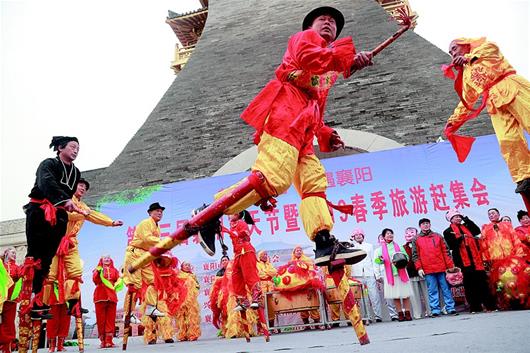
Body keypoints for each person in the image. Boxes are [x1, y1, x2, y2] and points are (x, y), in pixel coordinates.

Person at [196, 6, 372, 267]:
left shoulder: (326, 71)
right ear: (310, 26)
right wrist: (346, 59)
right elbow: (309, 58)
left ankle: (323, 241)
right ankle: (209, 212)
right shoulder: (305, 40)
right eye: (322, 19)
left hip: (303, 127)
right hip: (284, 115)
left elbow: (317, 109)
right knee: (275, 178)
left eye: (333, 22)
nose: (328, 23)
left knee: (314, 183)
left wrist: (325, 133)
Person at [443, 38, 530, 194]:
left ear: (466, 44)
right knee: (507, 140)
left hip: (512, 87)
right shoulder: (466, 75)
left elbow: (493, 49)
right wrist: (453, 121)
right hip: (494, 103)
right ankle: (525, 176)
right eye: (450, 52)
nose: (453, 53)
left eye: (455, 48)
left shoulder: (485, 49)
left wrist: (469, 57)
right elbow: (466, 100)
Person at [24, 136, 84, 317]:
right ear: (60, 147)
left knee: (48, 258)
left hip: (59, 215)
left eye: (78, 149)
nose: (75, 151)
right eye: (72, 147)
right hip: (40, 211)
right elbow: (46, 183)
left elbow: (69, 194)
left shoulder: (76, 172)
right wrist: (64, 200)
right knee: (36, 256)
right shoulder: (48, 164)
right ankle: (30, 300)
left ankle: (39, 301)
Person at [45, 178, 123, 314]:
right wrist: (81, 213)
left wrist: (111, 222)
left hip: (71, 243)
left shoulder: (84, 207)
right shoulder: (65, 199)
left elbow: (93, 215)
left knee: (75, 272)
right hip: (55, 241)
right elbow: (66, 215)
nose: (82, 189)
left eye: (84, 188)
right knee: (50, 275)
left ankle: (73, 303)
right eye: (80, 186)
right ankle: (43, 305)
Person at [443, 209, 496, 313]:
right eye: (455, 217)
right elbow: (451, 245)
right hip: (463, 261)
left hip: (476, 259)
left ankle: (490, 305)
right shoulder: (448, 231)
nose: (458, 218)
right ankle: (475, 307)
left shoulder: (466, 226)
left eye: (459, 216)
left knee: (482, 282)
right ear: (451, 219)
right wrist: (460, 238)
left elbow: (476, 231)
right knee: (469, 284)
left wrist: (466, 219)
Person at [122, 202, 166, 324]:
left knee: (153, 281)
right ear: (150, 213)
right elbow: (147, 238)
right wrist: (163, 241)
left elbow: (153, 244)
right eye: (157, 211)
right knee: (134, 285)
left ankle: (151, 307)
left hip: (146, 255)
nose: (159, 213)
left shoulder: (157, 227)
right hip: (134, 254)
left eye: (161, 211)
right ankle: (128, 313)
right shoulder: (145, 223)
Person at [480, 208, 529, 309]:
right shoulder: (486, 228)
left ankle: (518, 302)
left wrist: (518, 256)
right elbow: (483, 246)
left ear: (498, 214)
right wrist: (486, 261)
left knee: (515, 280)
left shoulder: (507, 225)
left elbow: (515, 240)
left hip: (510, 258)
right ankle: (504, 303)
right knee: (500, 283)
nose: (491, 215)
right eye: (489, 214)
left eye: (493, 213)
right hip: (496, 260)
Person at [412, 218, 457, 317]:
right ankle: (435, 310)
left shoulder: (438, 236)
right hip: (428, 269)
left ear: (430, 224)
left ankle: (451, 308)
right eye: (423, 224)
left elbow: (446, 251)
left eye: (427, 223)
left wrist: (450, 266)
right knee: (432, 290)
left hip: (442, 268)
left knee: (446, 289)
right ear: (420, 226)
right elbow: (415, 255)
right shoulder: (416, 239)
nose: (426, 225)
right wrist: (419, 268)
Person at [224, 210, 262, 311]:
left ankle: (256, 299)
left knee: (249, 275)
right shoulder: (232, 225)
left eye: (231, 213)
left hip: (246, 250)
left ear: (237, 214)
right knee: (236, 278)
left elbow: (246, 234)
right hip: (237, 253)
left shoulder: (241, 223)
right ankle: (243, 302)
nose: (229, 216)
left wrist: (231, 232)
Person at [374, 229, 413, 321]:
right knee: (395, 295)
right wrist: (381, 260)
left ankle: (407, 313)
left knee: (405, 294)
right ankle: (399, 313)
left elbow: (407, 257)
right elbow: (377, 261)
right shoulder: (380, 249)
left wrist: (401, 260)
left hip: (401, 272)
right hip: (390, 274)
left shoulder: (399, 246)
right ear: (383, 237)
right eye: (387, 234)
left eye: (391, 233)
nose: (390, 235)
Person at [350, 228, 382, 323]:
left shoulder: (369, 246)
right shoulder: (351, 248)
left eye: (360, 234)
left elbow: (374, 260)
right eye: (356, 235)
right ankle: (366, 317)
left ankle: (378, 316)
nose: (358, 236)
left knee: (374, 295)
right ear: (354, 237)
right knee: (363, 297)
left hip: (369, 274)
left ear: (363, 236)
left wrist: (376, 274)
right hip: (357, 275)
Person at [93, 255, 121, 348]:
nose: (107, 259)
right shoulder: (97, 269)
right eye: (105, 258)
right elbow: (95, 281)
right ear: (101, 260)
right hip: (100, 296)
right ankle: (103, 341)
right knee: (101, 320)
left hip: (112, 297)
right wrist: (98, 272)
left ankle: (109, 341)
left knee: (110, 319)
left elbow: (119, 280)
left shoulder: (115, 270)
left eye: (108, 258)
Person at [403, 227, 431, 319]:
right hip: (410, 273)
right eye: (407, 233)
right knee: (414, 296)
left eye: (412, 232)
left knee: (427, 293)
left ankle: (431, 311)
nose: (409, 234)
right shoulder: (403, 247)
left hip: (423, 271)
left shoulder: (421, 244)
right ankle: (417, 314)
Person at [0, 248, 22, 353]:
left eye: (15, 253)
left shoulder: (17, 268)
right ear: (6, 253)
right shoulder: (1, 266)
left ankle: (7, 347)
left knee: (9, 323)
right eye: (12, 252)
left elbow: (22, 275)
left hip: (10, 301)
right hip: (0, 299)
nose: (14, 255)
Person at [175, 262, 201, 341]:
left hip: (191, 301)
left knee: (192, 317)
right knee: (181, 318)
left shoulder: (193, 276)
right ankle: (183, 335)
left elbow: (198, 287)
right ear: (182, 267)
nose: (187, 266)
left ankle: (193, 334)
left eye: (189, 265)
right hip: (181, 300)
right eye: (186, 265)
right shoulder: (178, 276)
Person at [256, 250, 277, 331]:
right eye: (263, 254)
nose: (265, 256)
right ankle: (261, 328)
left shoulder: (269, 264)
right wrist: (269, 273)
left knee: (271, 307)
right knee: (261, 306)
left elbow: (275, 272)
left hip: (270, 287)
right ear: (260, 256)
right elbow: (259, 274)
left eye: (266, 254)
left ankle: (271, 327)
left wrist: (266, 272)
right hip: (261, 286)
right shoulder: (257, 264)